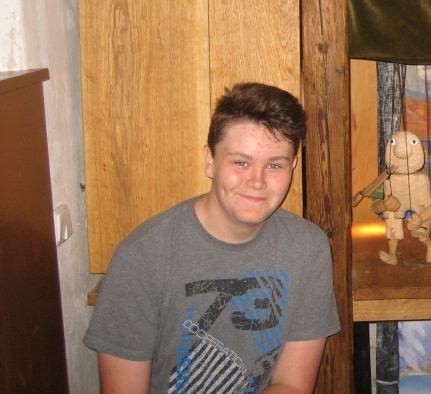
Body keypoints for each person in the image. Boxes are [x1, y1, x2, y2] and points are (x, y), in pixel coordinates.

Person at [84, 83, 340, 394]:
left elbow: (292, 385)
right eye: (241, 162)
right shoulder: (142, 256)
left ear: (293, 166)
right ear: (210, 160)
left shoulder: (308, 248)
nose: (257, 181)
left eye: (274, 165)